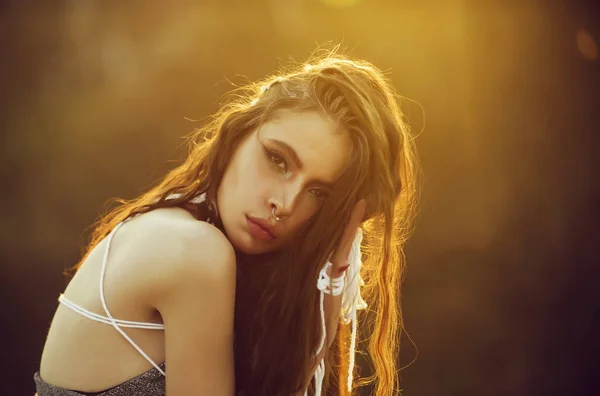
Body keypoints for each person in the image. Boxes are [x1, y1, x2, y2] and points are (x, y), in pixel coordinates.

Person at [34, 50, 419, 396]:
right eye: (278, 160)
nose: (284, 204)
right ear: (239, 133)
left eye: (319, 193)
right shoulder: (193, 251)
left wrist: (334, 270)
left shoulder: (177, 227)